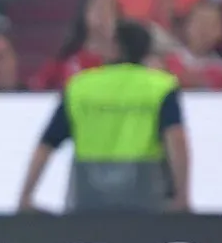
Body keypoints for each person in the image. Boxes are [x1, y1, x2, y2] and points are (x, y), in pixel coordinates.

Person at [16, 19, 189, 213]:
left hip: (88, 193)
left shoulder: (80, 87)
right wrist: (182, 196)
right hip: (145, 193)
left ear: (115, 48)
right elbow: (176, 141)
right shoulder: (160, 86)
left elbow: (46, 145)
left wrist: (26, 196)